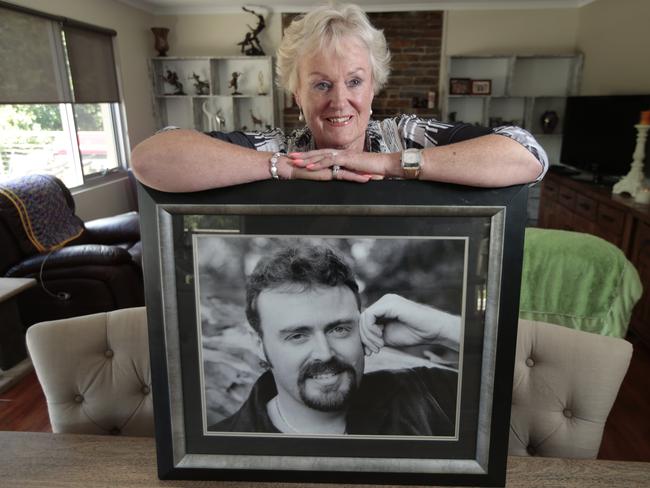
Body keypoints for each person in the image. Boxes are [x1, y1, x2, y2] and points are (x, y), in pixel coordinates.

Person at [132, 3, 548, 192]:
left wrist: (386, 163)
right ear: (297, 94)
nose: (339, 101)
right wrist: (284, 169)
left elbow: (527, 154)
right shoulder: (279, 149)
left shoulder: (407, 134)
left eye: (353, 81)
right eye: (321, 84)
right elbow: (151, 158)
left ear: (373, 86)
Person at [210, 245, 460, 436]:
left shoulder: (426, 396)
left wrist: (441, 329)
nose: (325, 353)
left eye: (339, 329)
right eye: (297, 335)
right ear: (258, 344)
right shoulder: (219, 447)